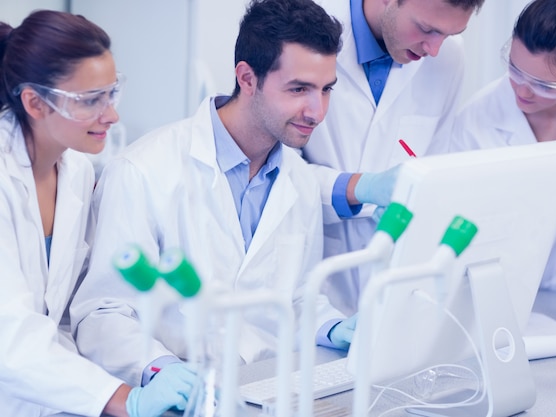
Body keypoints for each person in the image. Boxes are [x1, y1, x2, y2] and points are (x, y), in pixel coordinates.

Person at [70, 0, 353, 392]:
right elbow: (103, 312)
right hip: (179, 395)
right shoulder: (144, 170)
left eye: (326, 90)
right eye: (299, 89)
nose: (317, 111)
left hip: (266, 390)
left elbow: (298, 300)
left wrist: (335, 326)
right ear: (247, 78)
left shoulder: (299, 180)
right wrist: (161, 369)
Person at [0, 10, 195, 417]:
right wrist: (126, 399)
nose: (111, 115)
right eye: (90, 100)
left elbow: (68, 315)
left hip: (50, 399)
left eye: (111, 93)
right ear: (35, 102)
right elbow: (10, 337)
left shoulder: (77, 173)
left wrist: (149, 369)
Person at [303, 0, 485, 315]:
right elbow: (270, 172)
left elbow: (433, 166)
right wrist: (360, 187)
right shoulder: (305, 29)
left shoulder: (449, 58)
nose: (435, 49)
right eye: (427, 29)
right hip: (312, 289)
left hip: (397, 293)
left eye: (449, 34)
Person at [450, 0, 556, 296]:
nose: (522, 91)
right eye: (515, 70)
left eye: (545, 85)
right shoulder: (476, 120)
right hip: (516, 304)